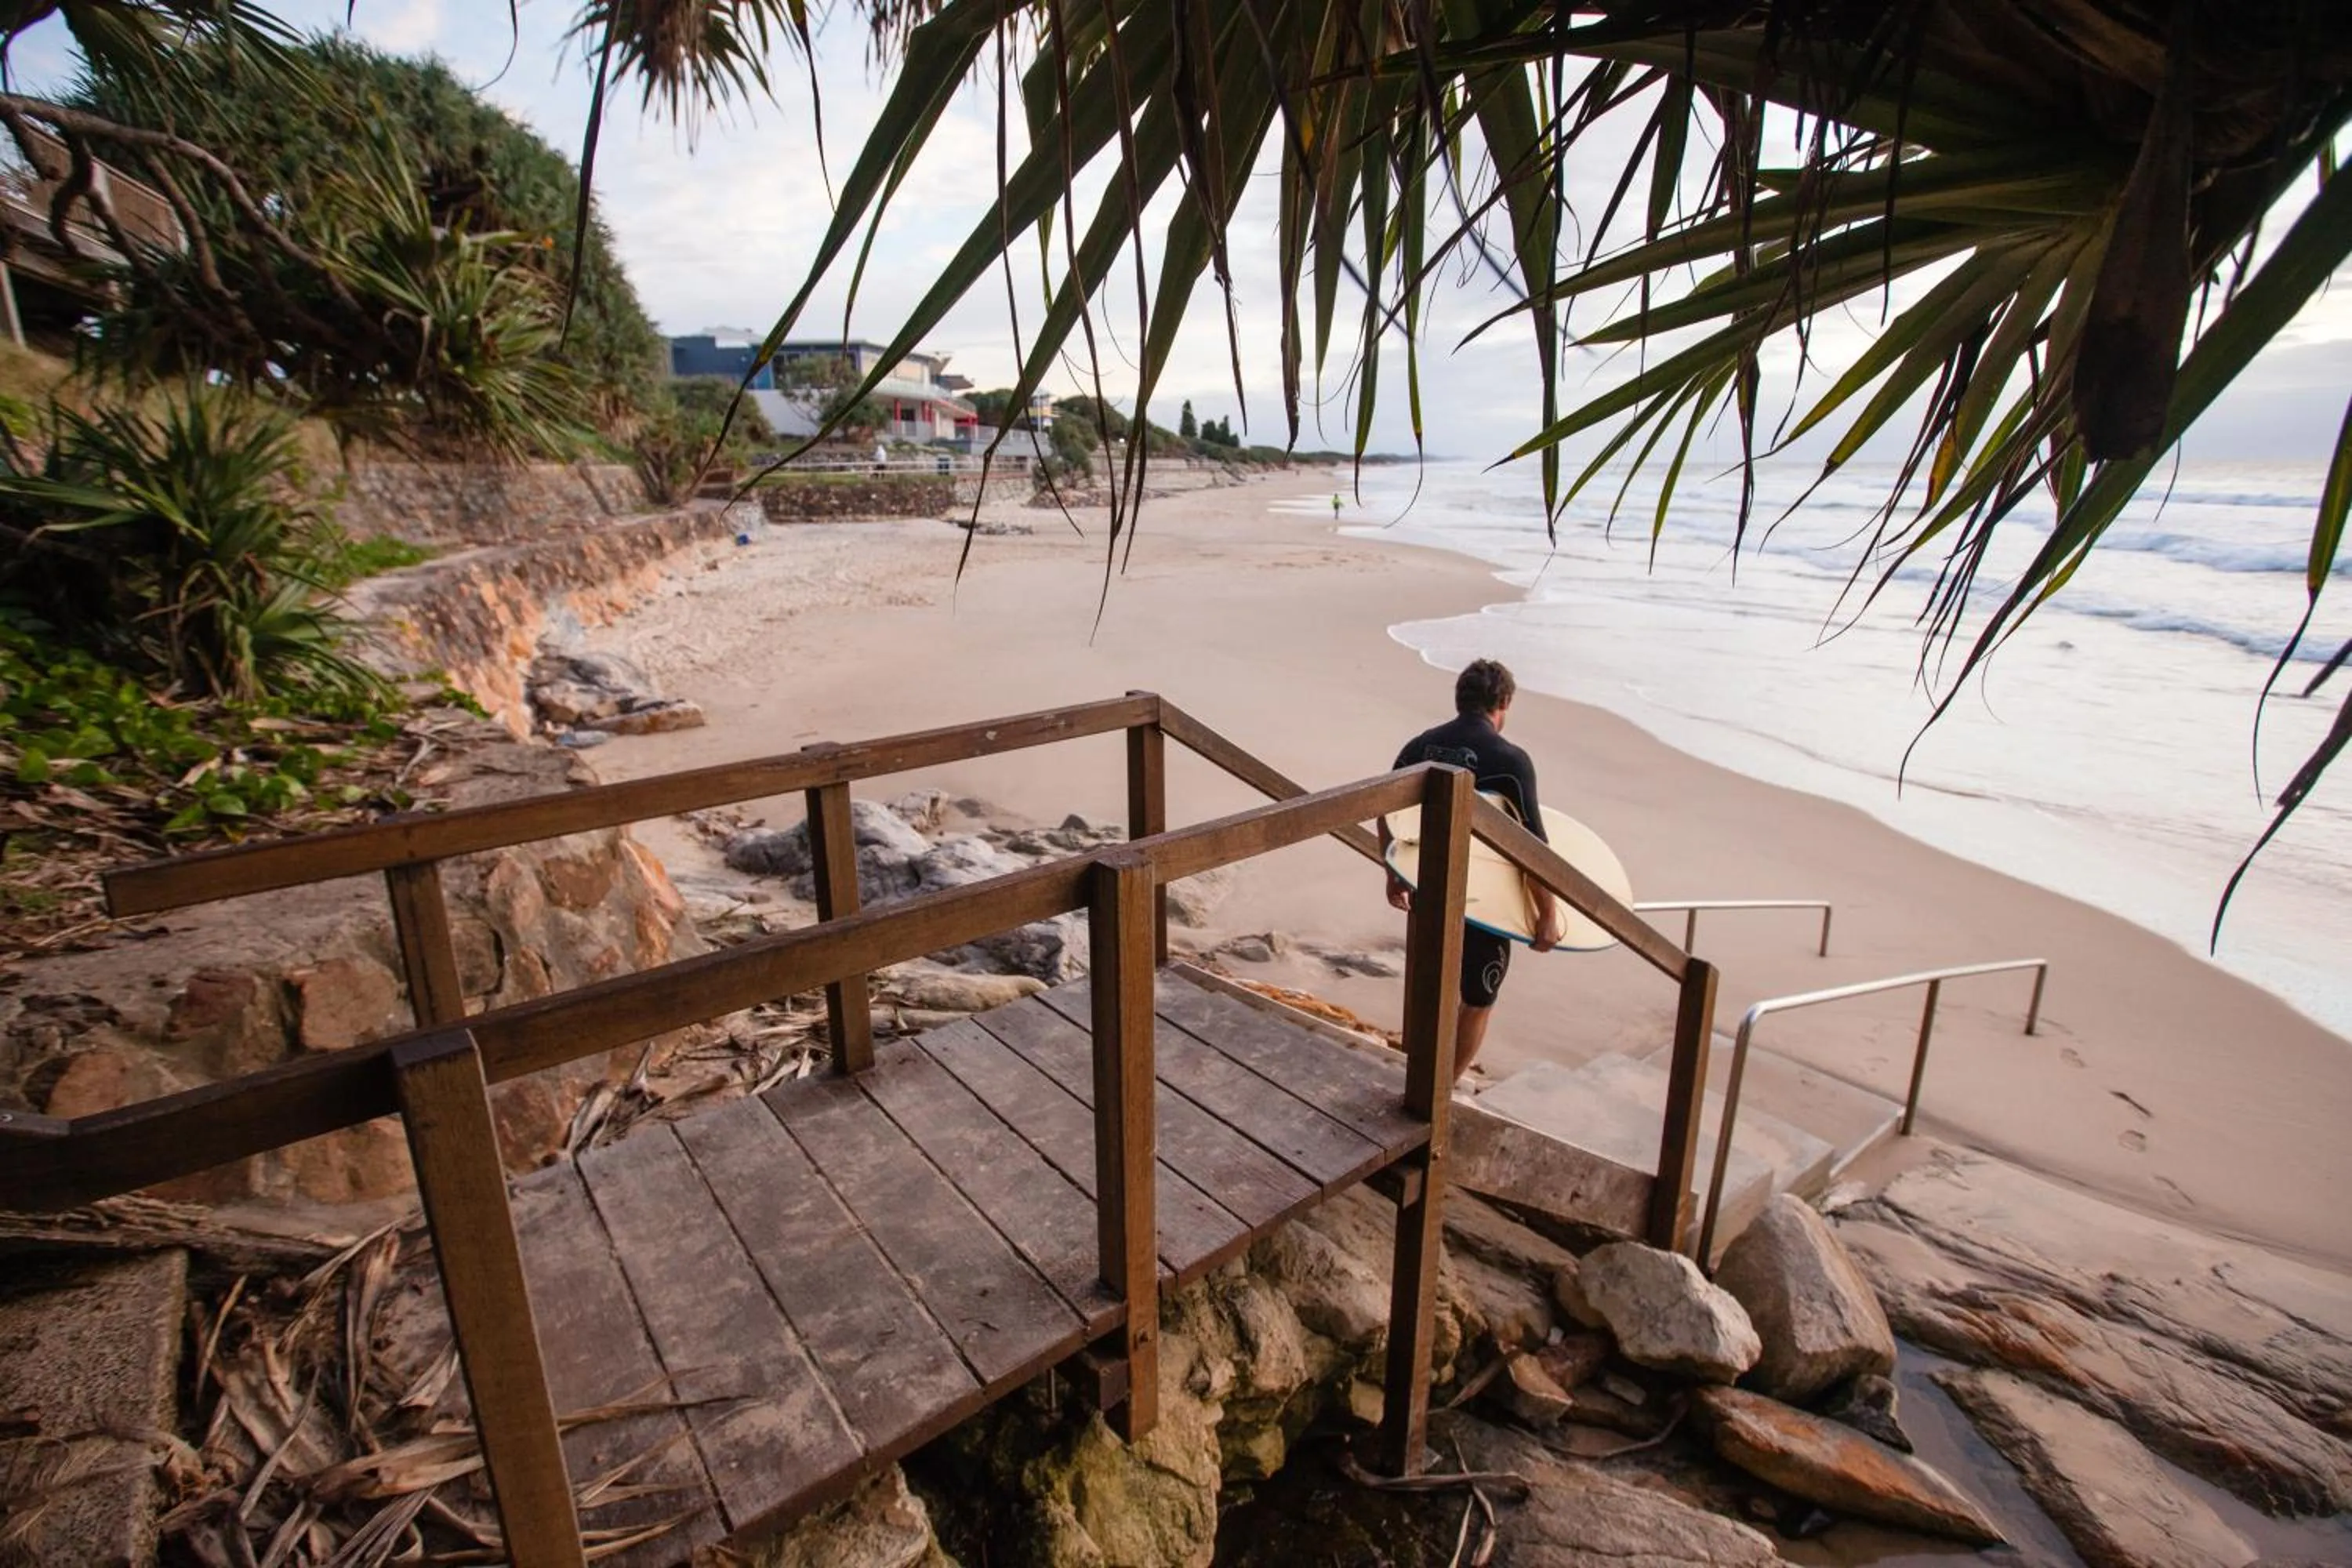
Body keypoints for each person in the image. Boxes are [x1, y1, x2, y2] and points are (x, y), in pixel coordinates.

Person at [1385, 659, 1566, 1081]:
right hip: (1487, 902)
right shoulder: (1510, 760)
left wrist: (1393, 871)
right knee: (1479, 998)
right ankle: (1441, 1090)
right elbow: (1533, 847)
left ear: (1460, 699)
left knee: (1434, 982)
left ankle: (1423, 1073)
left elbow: (1384, 809)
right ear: (1502, 703)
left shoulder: (1421, 746)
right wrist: (1549, 915)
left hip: (1429, 885)